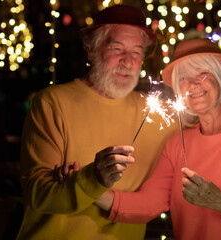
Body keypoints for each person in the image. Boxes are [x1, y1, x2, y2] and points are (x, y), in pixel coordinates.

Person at [90, 38, 221, 239]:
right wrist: (87, 189)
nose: (193, 83)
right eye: (184, 77)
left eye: (203, 73)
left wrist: (219, 201)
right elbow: (149, 202)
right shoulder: (176, 143)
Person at [16, 5, 178, 240]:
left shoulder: (159, 116)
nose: (128, 61)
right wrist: (93, 178)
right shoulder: (53, 103)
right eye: (117, 48)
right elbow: (36, 194)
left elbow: (163, 195)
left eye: (137, 51)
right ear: (91, 50)